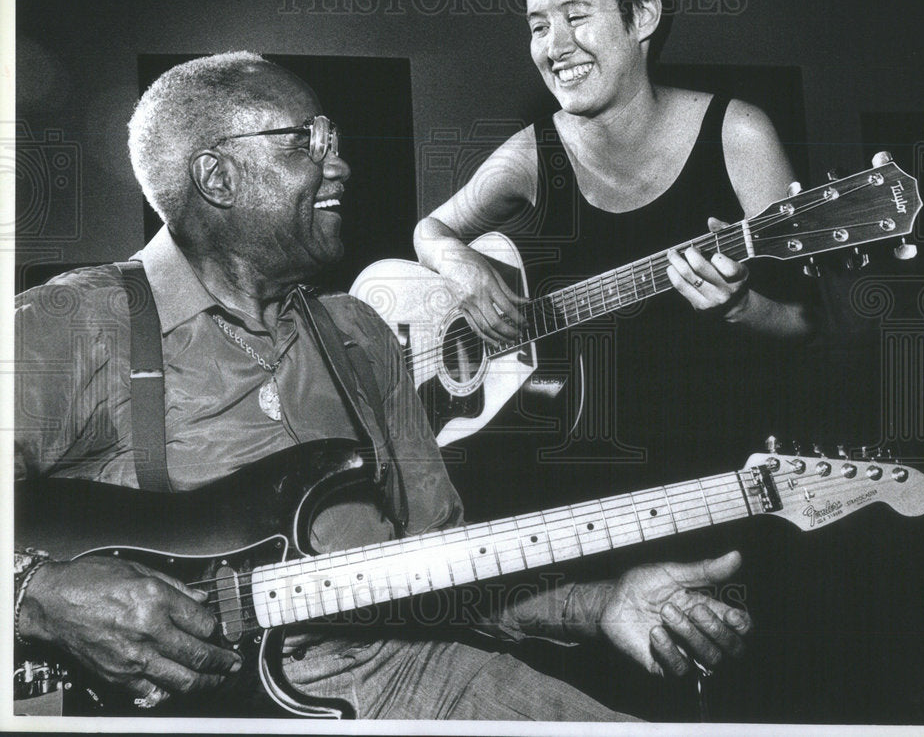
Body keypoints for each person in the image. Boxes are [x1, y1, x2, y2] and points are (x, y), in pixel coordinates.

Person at [14, 52, 752, 721]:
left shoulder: (359, 334)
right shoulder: (75, 323)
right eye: (308, 143)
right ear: (217, 177)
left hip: (401, 671)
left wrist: (600, 603)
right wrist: (34, 596)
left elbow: (442, 562)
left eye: (334, 140)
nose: (340, 166)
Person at [414, 0, 815, 486]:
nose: (555, 47)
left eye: (577, 16)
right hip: (572, 471)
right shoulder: (531, 154)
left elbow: (812, 325)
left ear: (643, 16)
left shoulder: (739, 135)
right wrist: (464, 270)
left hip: (723, 468)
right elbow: (429, 231)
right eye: (537, 26)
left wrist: (741, 308)